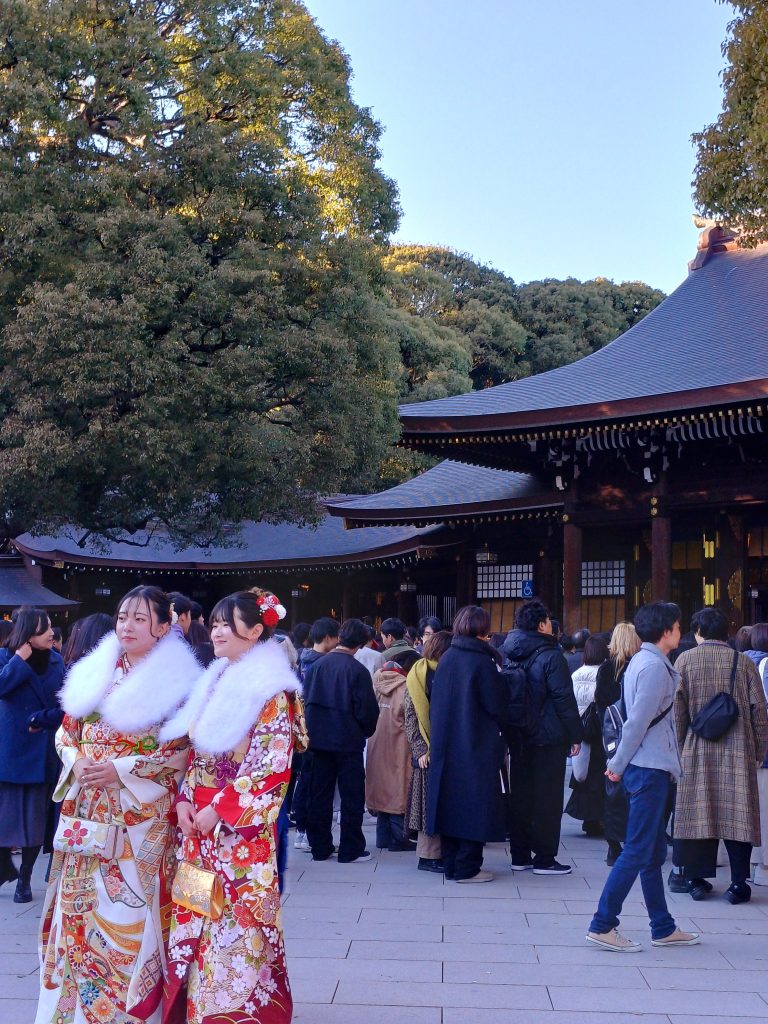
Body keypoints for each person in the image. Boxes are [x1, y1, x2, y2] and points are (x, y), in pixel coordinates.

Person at [35, 586, 199, 1024]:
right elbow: (66, 732)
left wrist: (122, 769)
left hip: (137, 818)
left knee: (127, 911)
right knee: (77, 909)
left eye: (140, 619)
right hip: (87, 808)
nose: (126, 625)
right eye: (122, 616)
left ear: (164, 627)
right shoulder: (96, 671)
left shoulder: (179, 684)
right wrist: (79, 758)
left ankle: (128, 1012)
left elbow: (181, 752)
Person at [161, 587, 297, 1024]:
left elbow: (271, 765)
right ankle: (200, 1009)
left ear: (256, 630)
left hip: (239, 834)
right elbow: (197, 754)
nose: (216, 630)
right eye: (215, 622)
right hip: (198, 828)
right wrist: (184, 800)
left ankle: (234, 1014)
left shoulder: (274, 692)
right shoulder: (213, 678)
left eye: (227, 623)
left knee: (237, 926)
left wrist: (219, 809)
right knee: (197, 917)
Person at [586, 601, 700, 952]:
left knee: (650, 852)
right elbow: (636, 722)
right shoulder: (652, 667)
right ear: (666, 631)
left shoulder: (643, 661)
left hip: (648, 765)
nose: (681, 633)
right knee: (637, 850)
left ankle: (662, 926)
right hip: (648, 767)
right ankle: (603, 923)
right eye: (678, 627)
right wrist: (617, 765)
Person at [672, 607, 768, 903]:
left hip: (697, 748)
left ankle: (697, 880)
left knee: (699, 812)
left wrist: (679, 747)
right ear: (727, 632)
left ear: (697, 632)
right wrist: (760, 749)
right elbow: (759, 711)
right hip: (738, 749)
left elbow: (678, 711)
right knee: (738, 815)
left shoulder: (685, 660)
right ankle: (739, 883)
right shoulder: (743, 663)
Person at [427, 605, 510, 883]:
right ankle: (467, 867)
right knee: (473, 805)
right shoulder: (481, 661)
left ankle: (452, 865)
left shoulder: (449, 656)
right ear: (482, 630)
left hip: (446, 743)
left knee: (450, 804)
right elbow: (496, 704)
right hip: (474, 744)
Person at [503, 599, 583, 874]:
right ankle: (545, 858)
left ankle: (520, 855)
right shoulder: (551, 655)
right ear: (541, 625)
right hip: (548, 736)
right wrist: (576, 734)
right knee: (547, 798)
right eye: (548, 620)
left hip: (518, 734)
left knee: (521, 795)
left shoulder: (510, 652)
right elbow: (563, 699)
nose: (552, 624)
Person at [0, 607, 65, 902]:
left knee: (36, 819)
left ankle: (24, 879)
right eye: (44, 629)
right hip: (9, 750)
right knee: (6, 817)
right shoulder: (6, 658)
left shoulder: (56, 661)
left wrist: (42, 719)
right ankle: (5, 868)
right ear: (27, 635)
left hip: (41, 750)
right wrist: (18, 661)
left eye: (50, 627)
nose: (51, 633)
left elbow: (65, 705)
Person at [303, 618, 380, 863]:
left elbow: (306, 702)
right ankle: (350, 848)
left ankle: (320, 846)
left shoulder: (317, 666)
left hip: (318, 740)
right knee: (351, 796)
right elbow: (367, 710)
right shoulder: (357, 670)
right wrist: (365, 730)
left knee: (320, 795)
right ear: (361, 643)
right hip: (347, 741)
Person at [405, 629, 452, 872]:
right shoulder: (419, 672)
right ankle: (428, 856)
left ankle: (439, 853)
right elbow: (411, 715)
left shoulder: (446, 672)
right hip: (426, 750)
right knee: (426, 805)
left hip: (447, 748)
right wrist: (421, 749)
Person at [366, 643, 420, 852]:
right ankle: (399, 838)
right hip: (399, 745)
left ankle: (382, 837)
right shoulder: (406, 687)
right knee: (398, 787)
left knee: (381, 786)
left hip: (376, 741)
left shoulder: (376, 680)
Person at [594, 622, 641, 865]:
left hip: (612, 735)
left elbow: (599, 703)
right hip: (638, 736)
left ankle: (613, 844)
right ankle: (636, 839)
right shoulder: (640, 667)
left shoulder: (606, 669)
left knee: (612, 789)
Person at [565, 634, 610, 838]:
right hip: (598, 730)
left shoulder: (576, 675)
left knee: (583, 774)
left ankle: (586, 818)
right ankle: (597, 819)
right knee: (598, 775)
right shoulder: (604, 673)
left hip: (581, 729)